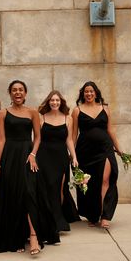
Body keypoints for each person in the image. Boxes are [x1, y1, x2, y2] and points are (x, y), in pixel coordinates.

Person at [0, 80, 59, 255]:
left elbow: (38, 137)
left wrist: (33, 154)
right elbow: (1, 139)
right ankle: (16, 237)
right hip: (9, 157)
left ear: (25, 93)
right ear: (10, 94)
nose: (17, 93)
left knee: (29, 193)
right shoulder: (3, 113)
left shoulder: (33, 112)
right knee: (12, 196)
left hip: (27, 156)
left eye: (20, 90)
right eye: (14, 90)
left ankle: (34, 236)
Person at [72, 81, 122, 229]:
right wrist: (72, 154)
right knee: (90, 183)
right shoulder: (77, 111)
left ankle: (105, 215)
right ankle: (93, 215)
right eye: (86, 92)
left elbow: (110, 130)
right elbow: (74, 134)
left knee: (106, 179)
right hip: (85, 151)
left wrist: (119, 149)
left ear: (96, 93)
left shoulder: (105, 109)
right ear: (83, 94)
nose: (89, 94)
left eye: (91, 91)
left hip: (105, 149)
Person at [37, 90, 80, 233]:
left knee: (60, 189)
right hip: (43, 157)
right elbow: (36, 139)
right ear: (48, 102)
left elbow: (69, 140)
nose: (54, 102)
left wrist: (74, 157)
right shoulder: (41, 117)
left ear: (61, 102)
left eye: (57, 100)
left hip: (61, 157)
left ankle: (58, 218)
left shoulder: (68, 118)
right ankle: (50, 222)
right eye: (52, 100)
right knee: (47, 188)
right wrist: (32, 155)